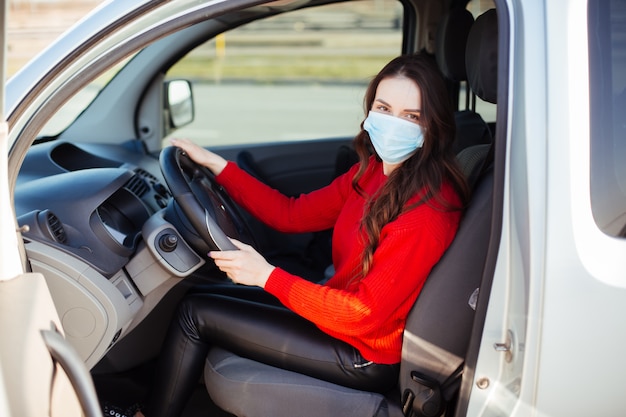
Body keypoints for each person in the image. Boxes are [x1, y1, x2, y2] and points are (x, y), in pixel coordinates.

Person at [105, 53, 469, 417]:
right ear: (369, 110)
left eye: (411, 116)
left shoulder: (427, 212)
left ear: (431, 126)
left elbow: (364, 314)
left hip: (364, 352)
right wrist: (218, 167)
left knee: (194, 312)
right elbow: (291, 214)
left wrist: (267, 276)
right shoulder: (374, 172)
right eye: (384, 108)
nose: (393, 124)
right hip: (337, 319)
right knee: (202, 293)